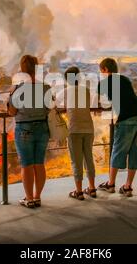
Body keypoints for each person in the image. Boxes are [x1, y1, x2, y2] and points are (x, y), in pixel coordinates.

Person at [97, 58, 137, 197]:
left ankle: (111, 184)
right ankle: (128, 187)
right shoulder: (125, 79)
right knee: (136, 152)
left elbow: (100, 100)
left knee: (118, 150)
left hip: (126, 118)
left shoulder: (104, 83)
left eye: (101, 70)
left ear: (106, 69)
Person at [8, 55, 52, 208]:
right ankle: (37, 197)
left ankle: (29, 198)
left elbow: (12, 112)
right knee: (39, 163)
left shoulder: (18, 88)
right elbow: (49, 108)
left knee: (26, 165)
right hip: (42, 128)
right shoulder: (46, 87)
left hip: (24, 129)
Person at [56, 66, 97, 200]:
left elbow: (55, 104)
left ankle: (79, 191)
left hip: (74, 130)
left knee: (76, 161)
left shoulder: (66, 91)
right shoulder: (86, 91)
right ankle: (92, 188)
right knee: (88, 158)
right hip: (88, 128)